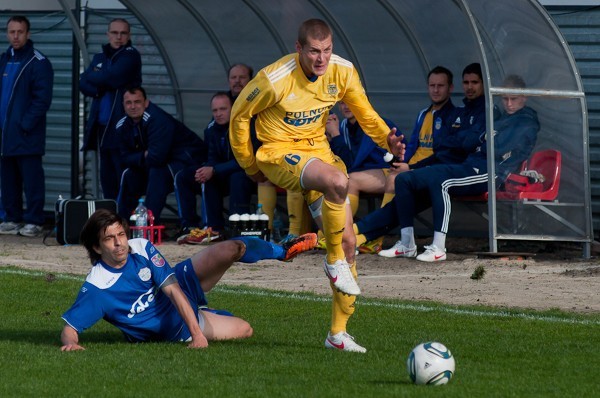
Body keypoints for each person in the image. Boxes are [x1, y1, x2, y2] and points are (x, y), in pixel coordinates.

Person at [229, 18, 404, 352]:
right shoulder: (273, 79)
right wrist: (249, 165)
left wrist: (387, 142)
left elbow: (364, 112)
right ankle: (333, 260)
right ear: (299, 49)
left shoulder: (342, 71)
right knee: (339, 181)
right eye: (313, 51)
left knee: (350, 243)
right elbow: (239, 115)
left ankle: (337, 335)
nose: (321, 59)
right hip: (279, 153)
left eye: (326, 50)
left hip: (317, 154)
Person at [60, 208, 318, 351]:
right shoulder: (98, 287)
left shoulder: (140, 246)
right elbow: (70, 328)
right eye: (109, 238)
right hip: (176, 328)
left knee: (232, 248)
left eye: (121, 234)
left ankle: (282, 251)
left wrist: (199, 336)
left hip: (180, 290)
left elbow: (172, 290)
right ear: (96, 247)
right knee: (245, 329)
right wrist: (71, 345)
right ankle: (208, 314)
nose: (119, 243)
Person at [379, 74, 539, 261]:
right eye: (505, 99)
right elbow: (471, 141)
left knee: (441, 182)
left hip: (492, 173)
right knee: (405, 178)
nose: (509, 104)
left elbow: (498, 148)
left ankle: (438, 247)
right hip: (470, 165)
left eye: (514, 99)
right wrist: (483, 138)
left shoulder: (527, 121)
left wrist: (483, 139)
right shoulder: (500, 119)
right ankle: (407, 244)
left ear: (524, 98)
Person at [354, 63, 486, 254]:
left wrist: (411, 167)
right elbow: (415, 145)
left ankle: (372, 239)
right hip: (416, 167)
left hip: (437, 170)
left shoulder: (458, 114)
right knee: (354, 180)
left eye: (440, 86)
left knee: (399, 180)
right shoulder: (423, 114)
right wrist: (402, 163)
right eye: (432, 86)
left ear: (450, 88)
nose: (435, 90)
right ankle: (348, 233)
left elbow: (448, 152)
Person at [175, 92, 257, 244]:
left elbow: (246, 161)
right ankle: (195, 227)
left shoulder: (244, 125)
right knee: (185, 176)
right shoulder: (211, 129)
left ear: (233, 108)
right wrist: (207, 169)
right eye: (215, 110)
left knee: (237, 177)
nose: (218, 114)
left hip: (249, 173)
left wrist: (214, 170)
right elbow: (211, 157)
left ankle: (235, 229)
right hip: (223, 173)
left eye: (223, 109)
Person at [116, 86, 206, 224]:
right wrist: (143, 155)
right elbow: (123, 158)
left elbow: (156, 157)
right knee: (129, 174)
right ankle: (123, 224)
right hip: (161, 162)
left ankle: (150, 224)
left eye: (137, 102)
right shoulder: (122, 125)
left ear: (146, 103)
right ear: (123, 105)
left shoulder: (157, 119)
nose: (133, 106)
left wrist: (140, 156)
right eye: (129, 103)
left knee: (158, 173)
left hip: (189, 159)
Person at [0, 16, 53, 237]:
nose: (15, 36)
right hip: (4, 134)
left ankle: (34, 220)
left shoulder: (38, 62)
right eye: (12, 32)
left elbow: (42, 99)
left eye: (20, 32)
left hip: (26, 134)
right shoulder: (3, 59)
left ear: (28, 33)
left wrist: (25, 125)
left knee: (31, 180)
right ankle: (12, 218)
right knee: (8, 179)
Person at [79, 18, 142, 200]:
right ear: (108, 34)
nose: (118, 37)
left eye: (123, 33)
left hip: (122, 126)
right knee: (106, 177)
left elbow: (111, 77)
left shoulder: (130, 55)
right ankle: (110, 219)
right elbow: (83, 83)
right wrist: (99, 85)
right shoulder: (100, 57)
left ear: (128, 35)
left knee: (123, 175)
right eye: (114, 33)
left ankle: (125, 219)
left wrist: (96, 77)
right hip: (102, 126)